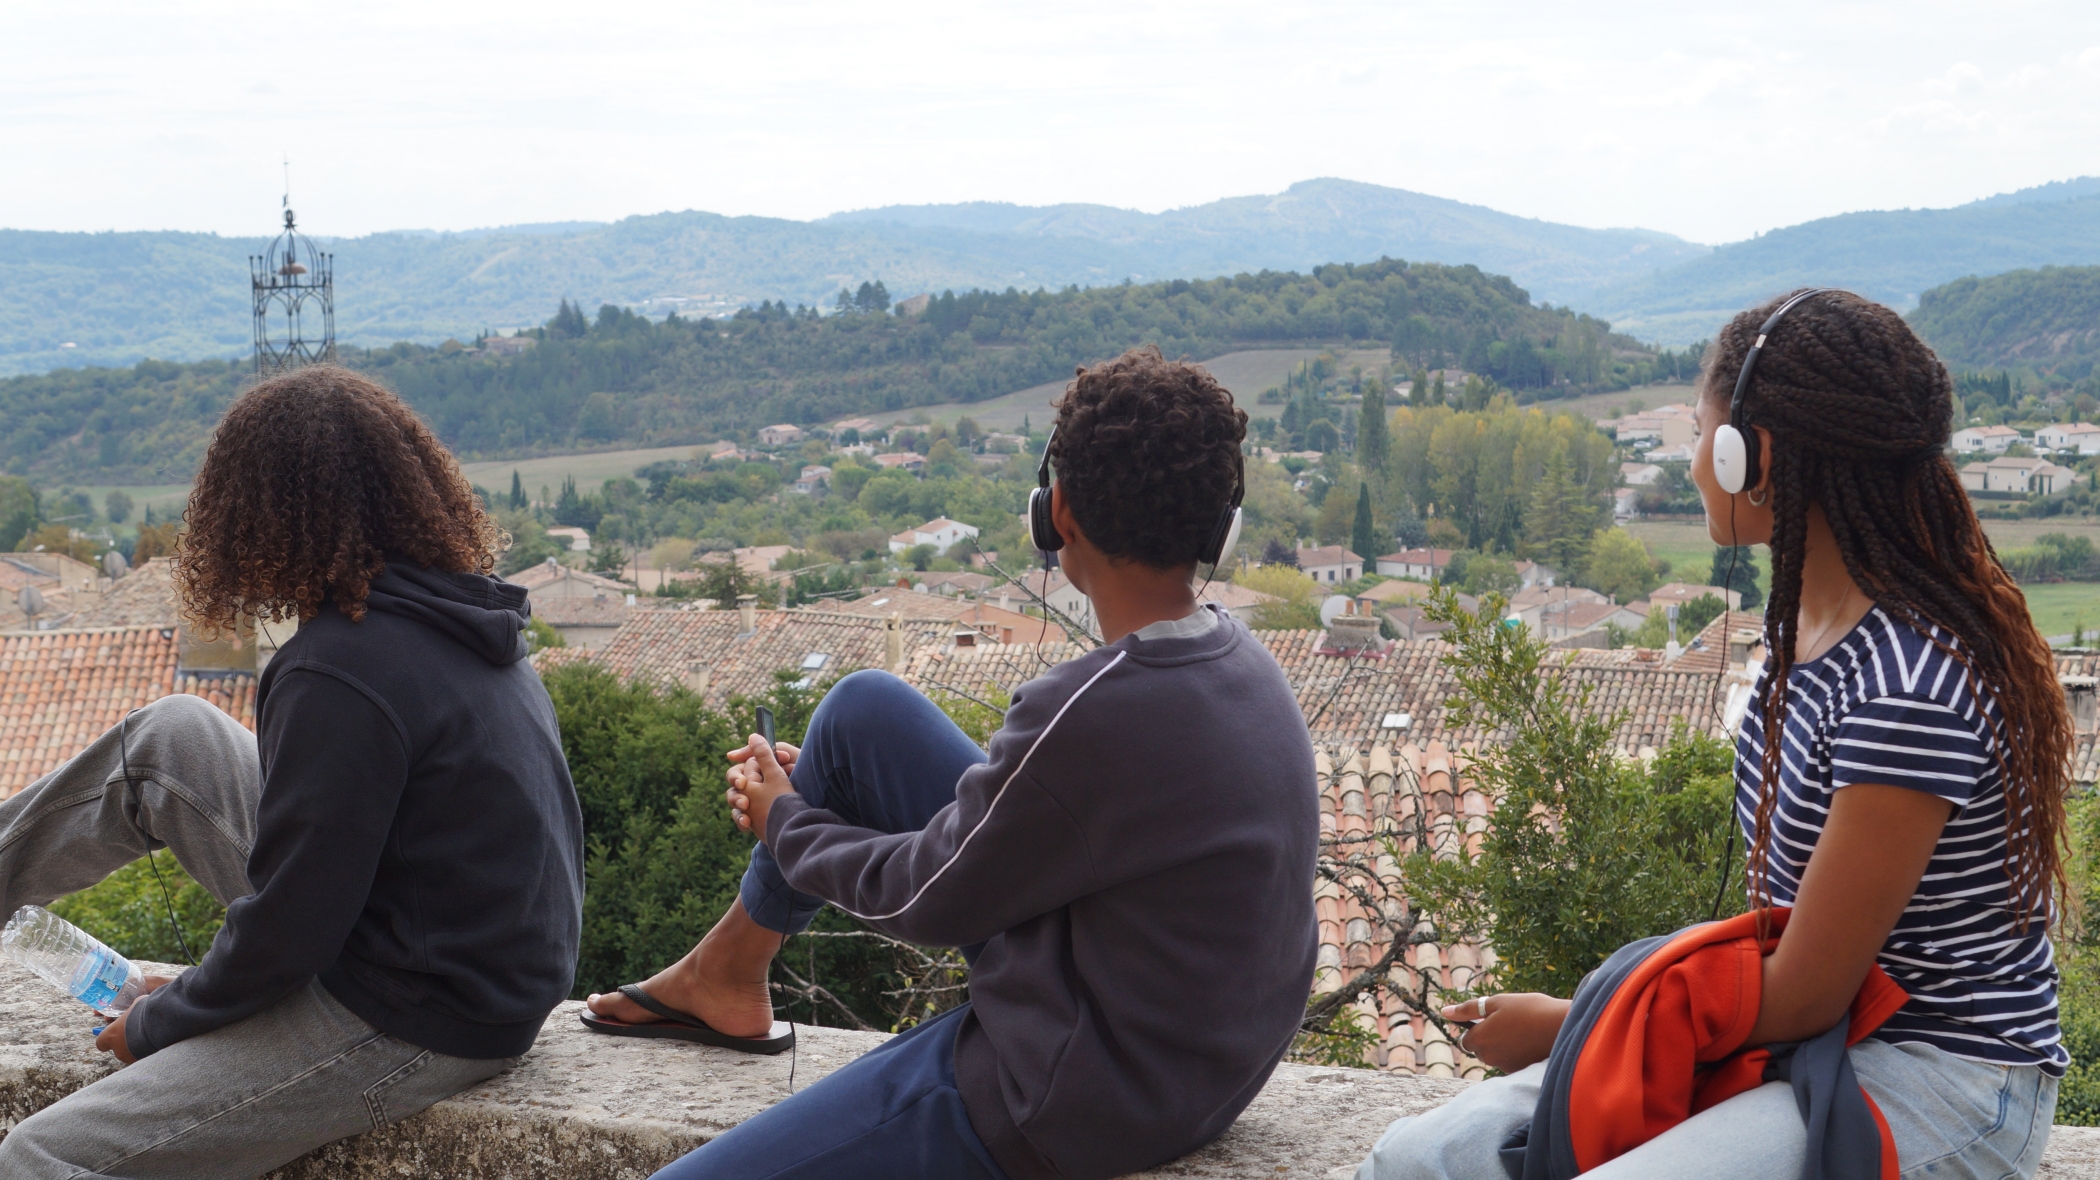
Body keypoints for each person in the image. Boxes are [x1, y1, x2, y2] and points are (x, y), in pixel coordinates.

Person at [1357, 290, 2066, 1179]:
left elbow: (1806, 989)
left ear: (1748, 458)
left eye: (1701, 432)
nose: (1694, 460)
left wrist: (1576, 1022)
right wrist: (1588, 1018)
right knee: (1424, 1157)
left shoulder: (1907, 690)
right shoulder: (1794, 640)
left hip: (1940, 1070)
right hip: (1815, 1033)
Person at [584, 345, 1320, 1180]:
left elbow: (928, 897)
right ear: (1217, 528)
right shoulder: (1242, 662)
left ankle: (728, 970)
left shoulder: (1092, 710)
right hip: (1186, 1054)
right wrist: (810, 807)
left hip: (1077, 1093)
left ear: (1058, 510)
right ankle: (727, 972)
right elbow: (1023, 827)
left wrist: (786, 821)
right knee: (863, 710)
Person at [0, 366, 585, 1179]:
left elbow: (296, 929)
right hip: (450, 949)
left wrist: (164, 1019)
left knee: (36, 1157)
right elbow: (316, 882)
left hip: (417, 1012)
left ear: (250, 515)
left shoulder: (338, 670)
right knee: (175, 735)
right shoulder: (454, 613)